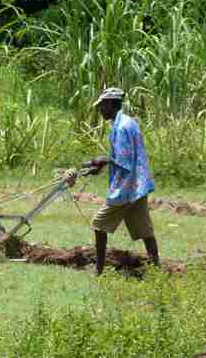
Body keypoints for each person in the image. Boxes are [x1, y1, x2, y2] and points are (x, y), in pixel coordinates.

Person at [67, 87, 160, 276]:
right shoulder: (126, 122)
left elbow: (123, 161)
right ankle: (157, 271)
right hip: (138, 186)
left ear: (109, 104)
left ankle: (99, 271)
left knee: (98, 224)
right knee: (145, 230)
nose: (100, 110)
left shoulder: (122, 127)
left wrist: (103, 159)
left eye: (102, 106)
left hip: (127, 188)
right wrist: (97, 166)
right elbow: (122, 159)